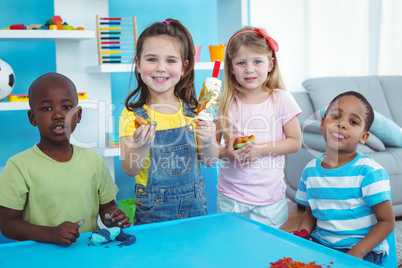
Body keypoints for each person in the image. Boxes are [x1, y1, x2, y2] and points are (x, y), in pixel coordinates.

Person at [0, 73, 130, 246]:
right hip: (39, 257)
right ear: (32, 118)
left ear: (79, 114)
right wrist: (51, 234)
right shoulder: (18, 166)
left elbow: (106, 207)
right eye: (47, 108)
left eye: (67, 107)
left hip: (88, 253)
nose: (59, 115)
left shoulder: (94, 161)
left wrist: (112, 217)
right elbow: (7, 225)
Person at [119, 19, 219, 225]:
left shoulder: (195, 111)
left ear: (184, 67)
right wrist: (140, 144)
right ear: (138, 64)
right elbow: (130, 169)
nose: (161, 68)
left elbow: (209, 161)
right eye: (152, 59)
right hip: (153, 213)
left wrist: (209, 140)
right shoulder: (132, 115)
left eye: (171, 61)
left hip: (195, 209)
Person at [213, 26, 302, 228]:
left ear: (270, 64)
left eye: (257, 61)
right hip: (230, 197)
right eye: (241, 63)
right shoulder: (226, 103)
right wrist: (227, 154)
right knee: (233, 250)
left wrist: (259, 150)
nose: (249, 69)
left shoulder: (281, 99)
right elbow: (213, 148)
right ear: (231, 68)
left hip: (268, 200)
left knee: (266, 254)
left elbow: (295, 142)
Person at [294, 91, 395, 264]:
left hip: (363, 248)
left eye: (353, 122)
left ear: (363, 137)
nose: (341, 124)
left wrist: (357, 252)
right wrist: (302, 234)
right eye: (336, 116)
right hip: (322, 242)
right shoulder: (310, 170)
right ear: (324, 123)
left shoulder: (369, 172)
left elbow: (387, 222)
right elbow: (310, 212)